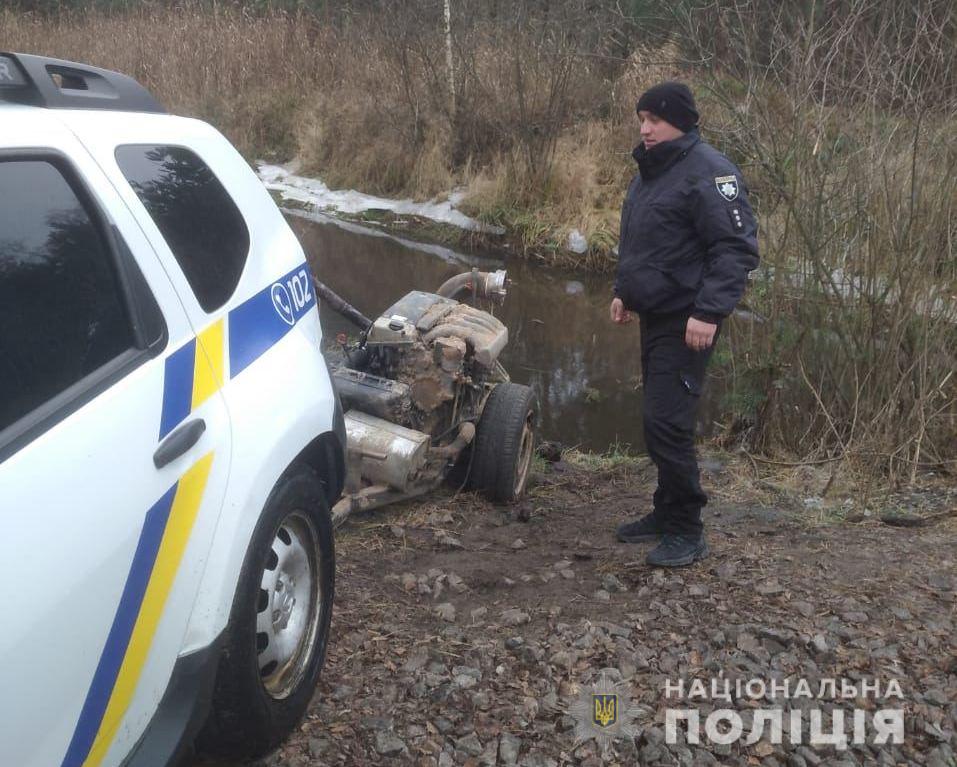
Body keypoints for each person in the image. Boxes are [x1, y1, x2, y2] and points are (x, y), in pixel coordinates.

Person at [611, 81, 759, 567]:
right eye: (641, 119)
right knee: (657, 422)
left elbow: (735, 249)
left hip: (688, 320)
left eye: (654, 119)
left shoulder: (711, 173)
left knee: (667, 423)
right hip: (654, 315)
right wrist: (623, 292)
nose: (644, 128)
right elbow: (641, 239)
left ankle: (687, 529)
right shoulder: (652, 170)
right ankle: (664, 511)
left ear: (682, 121)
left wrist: (708, 312)